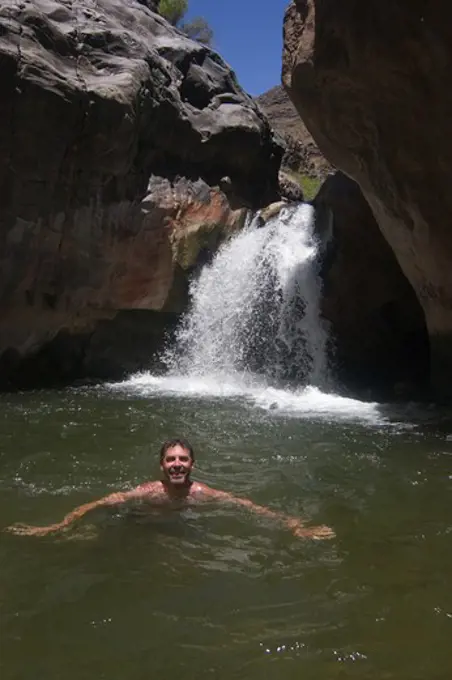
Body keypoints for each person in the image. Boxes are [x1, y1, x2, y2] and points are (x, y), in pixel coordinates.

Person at [4, 438, 335, 540]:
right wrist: (58, 525)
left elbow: (249, 508)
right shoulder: (147, 491)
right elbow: (100, 503)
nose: (177, 464)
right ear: (161, 466)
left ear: (192, 465)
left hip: (178, 532)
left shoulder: (203, 494)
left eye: (183, 459)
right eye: (171, 460)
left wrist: (294, 525)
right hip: (138, 525)